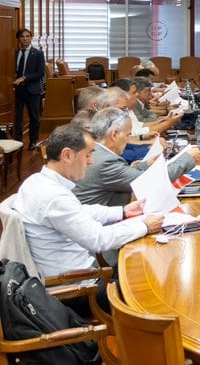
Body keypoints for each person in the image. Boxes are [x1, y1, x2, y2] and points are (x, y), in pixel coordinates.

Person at [12, 123, 163, 315]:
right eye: (88, 154)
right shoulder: (53, 197)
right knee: (152, 285)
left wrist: (123, 211)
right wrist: (144, 225)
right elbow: (98, 239)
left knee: (142, 266)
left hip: (76, 279)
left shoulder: (37, 181)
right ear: (67, 155)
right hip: (74, 291)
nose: (91, 161)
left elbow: (79, 211)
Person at [73, 108, 200, 207]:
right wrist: (187, 158)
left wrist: (143, 165)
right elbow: (150, 182)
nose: (129, 139)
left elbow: (115, 176)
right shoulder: (105, 161)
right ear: (115, 134)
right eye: (128, 134)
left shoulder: (97, 152)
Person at [13, 28, 45, 150]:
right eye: (22, 36)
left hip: (32, 90)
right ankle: (18, 142)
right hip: (18, 90)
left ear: (31, 38)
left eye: (27, 36)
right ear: (19, 39)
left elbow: (40, 73)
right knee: (17, 117)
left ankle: (33, 141)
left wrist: (25, 77)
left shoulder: (37, 53)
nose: (25, 38)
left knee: (34, 117)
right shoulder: (15, 53)